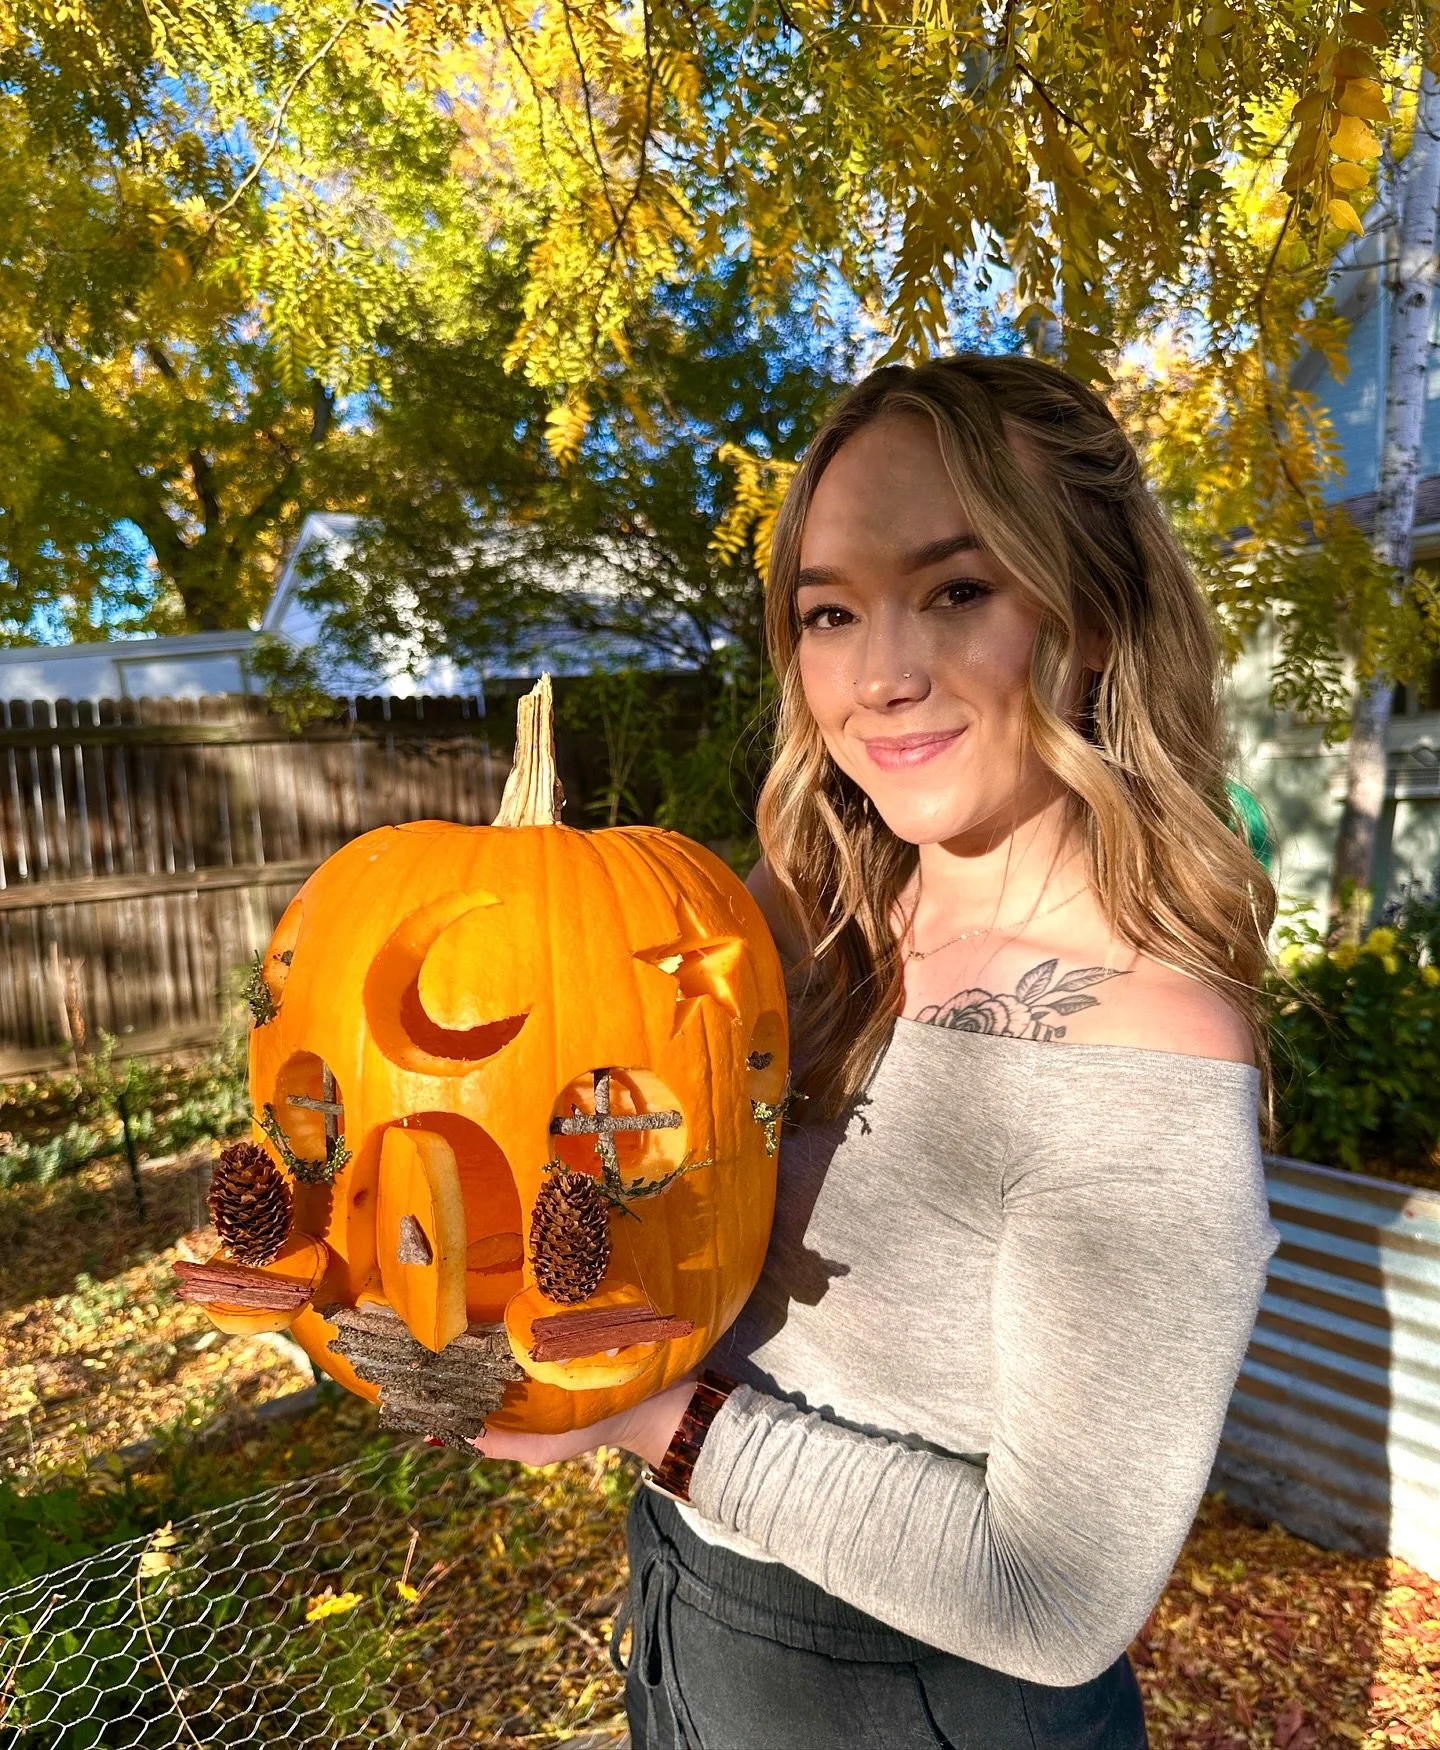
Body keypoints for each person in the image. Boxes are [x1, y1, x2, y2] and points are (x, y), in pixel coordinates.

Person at [474, 353, 1283, 1749]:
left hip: (926, 1708)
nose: (885, 674)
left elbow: (1057, 1595)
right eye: (831, 612)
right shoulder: (796, 937)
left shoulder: (1149, 1052)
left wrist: (647, 1418)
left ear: (1091, 619)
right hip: (690, 1631)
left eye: (960, 591)